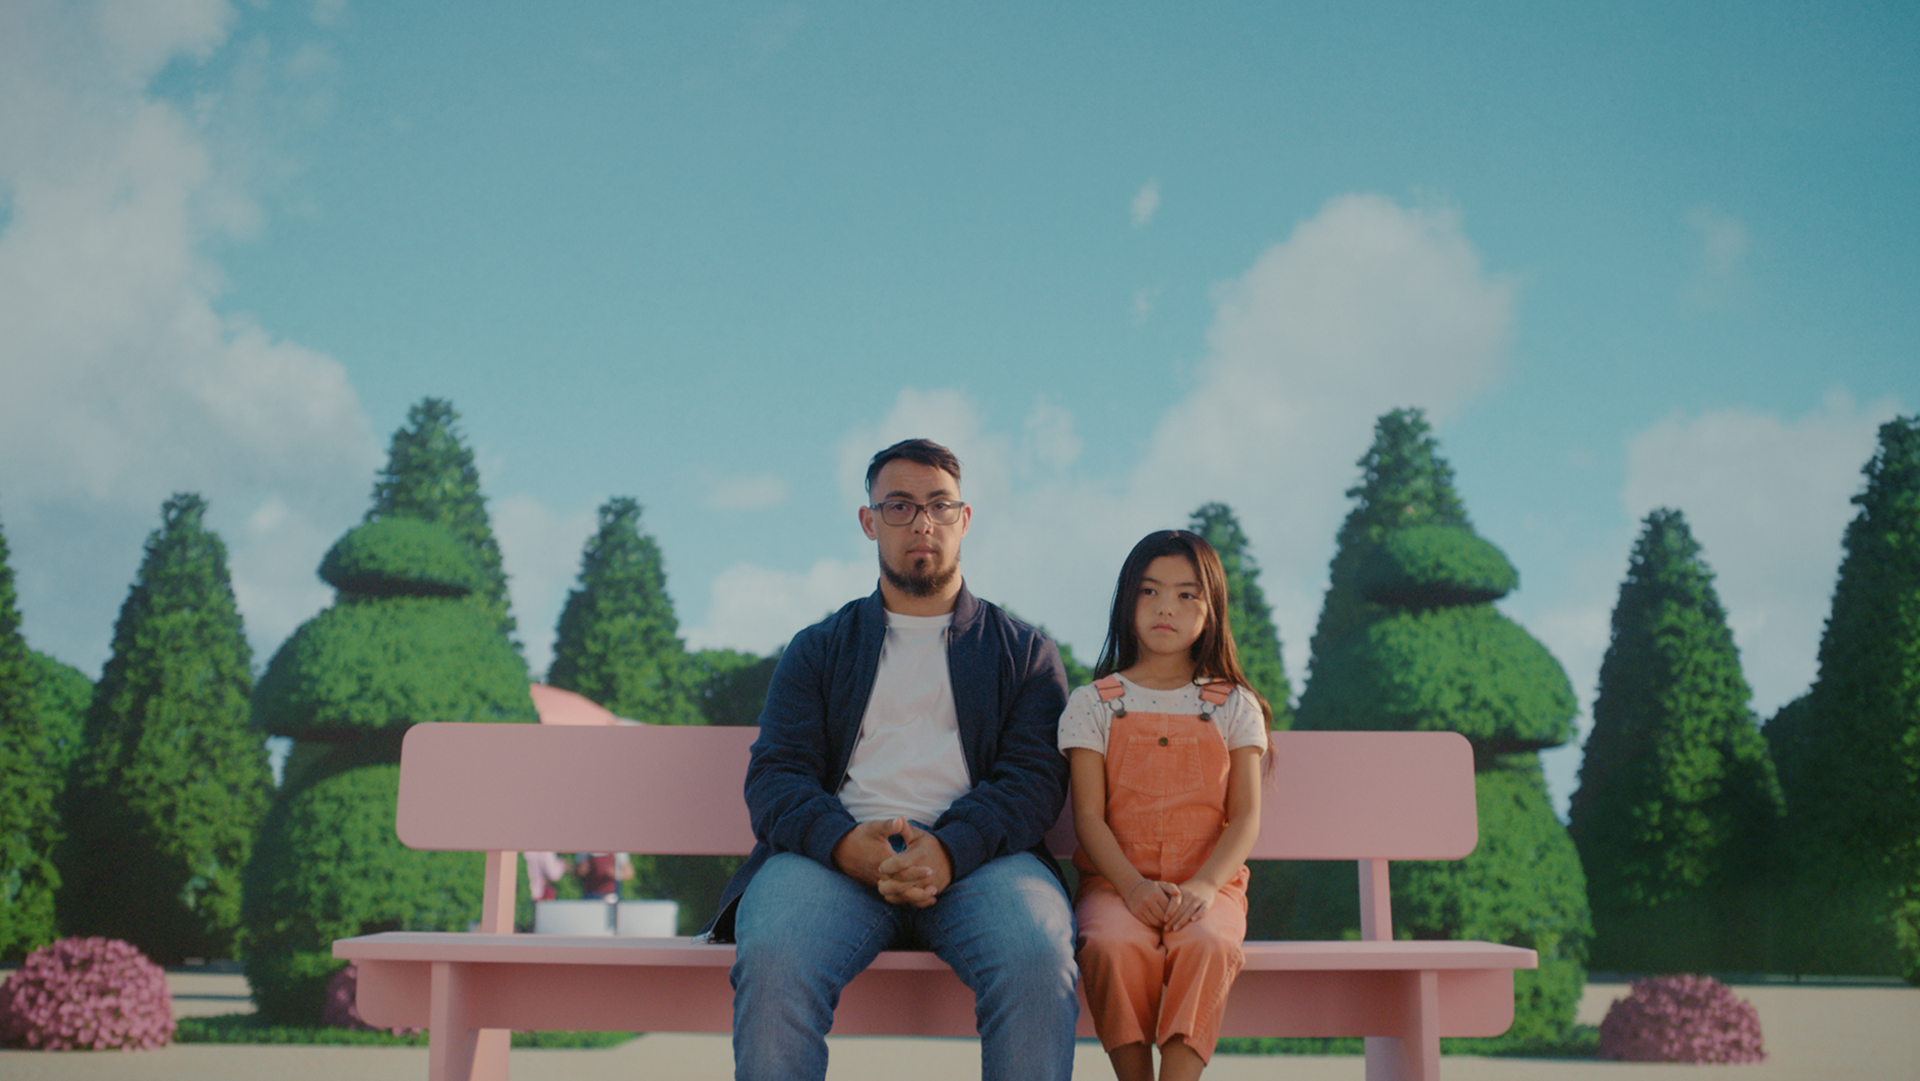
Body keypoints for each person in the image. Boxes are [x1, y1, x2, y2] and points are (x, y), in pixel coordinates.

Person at [706, 438, 1079, 1081]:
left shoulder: (1024, 653)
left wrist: (950, 848)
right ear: (869, 520)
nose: (922, 523)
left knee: (1037, 953)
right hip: (835, 863)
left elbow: (1034, 781)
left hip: (982, 865)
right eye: (900, 506)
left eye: (939, 505)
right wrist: (845, 843)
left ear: (965, 520)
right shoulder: (819, 649)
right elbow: (777, 774)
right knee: (773, 954)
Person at [1057, 530, 1272, 1081]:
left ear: (1212, 609)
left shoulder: (1233, 704)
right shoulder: (1094, 703)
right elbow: (1088, 817)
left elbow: (1245, 817)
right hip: (1115, 883)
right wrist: (1130, 886)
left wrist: (1204, 886)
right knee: (1108, 945)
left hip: (1209, 884)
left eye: (1186, 595)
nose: (1165, 609)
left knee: (1208, 943)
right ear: (1127, 602)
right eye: (1150, 592)